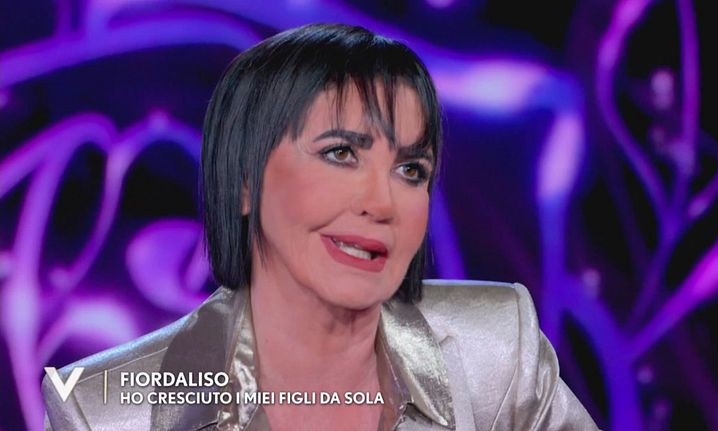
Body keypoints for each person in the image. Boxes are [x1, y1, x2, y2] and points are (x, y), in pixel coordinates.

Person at [42, 23, 600, 430]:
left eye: (411, 170)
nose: (382, 202)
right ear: (244, 181)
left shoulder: (496, 351)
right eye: (340, 154)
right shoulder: (108, 411)